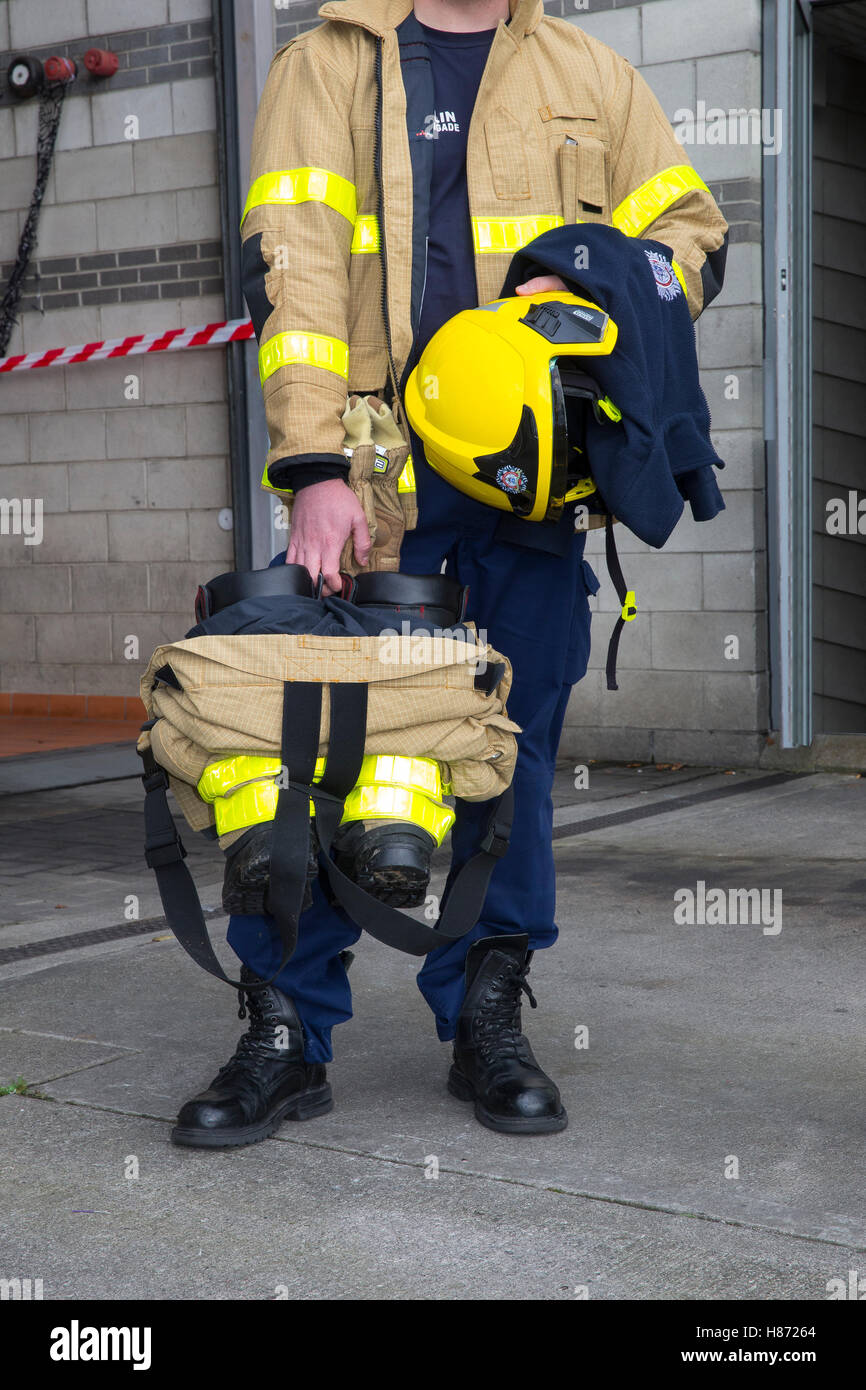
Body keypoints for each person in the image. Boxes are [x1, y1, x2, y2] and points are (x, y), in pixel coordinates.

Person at [171, 0, 729, 1148]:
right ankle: (285, 1027)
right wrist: (313, 463)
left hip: (530, 490)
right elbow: (297, 271)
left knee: (503, 757)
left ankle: (485, 1016)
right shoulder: (324, 65)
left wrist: (590, 292)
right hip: (372, 488)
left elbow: (688, 233)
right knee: (313, 752)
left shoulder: (589, 71)